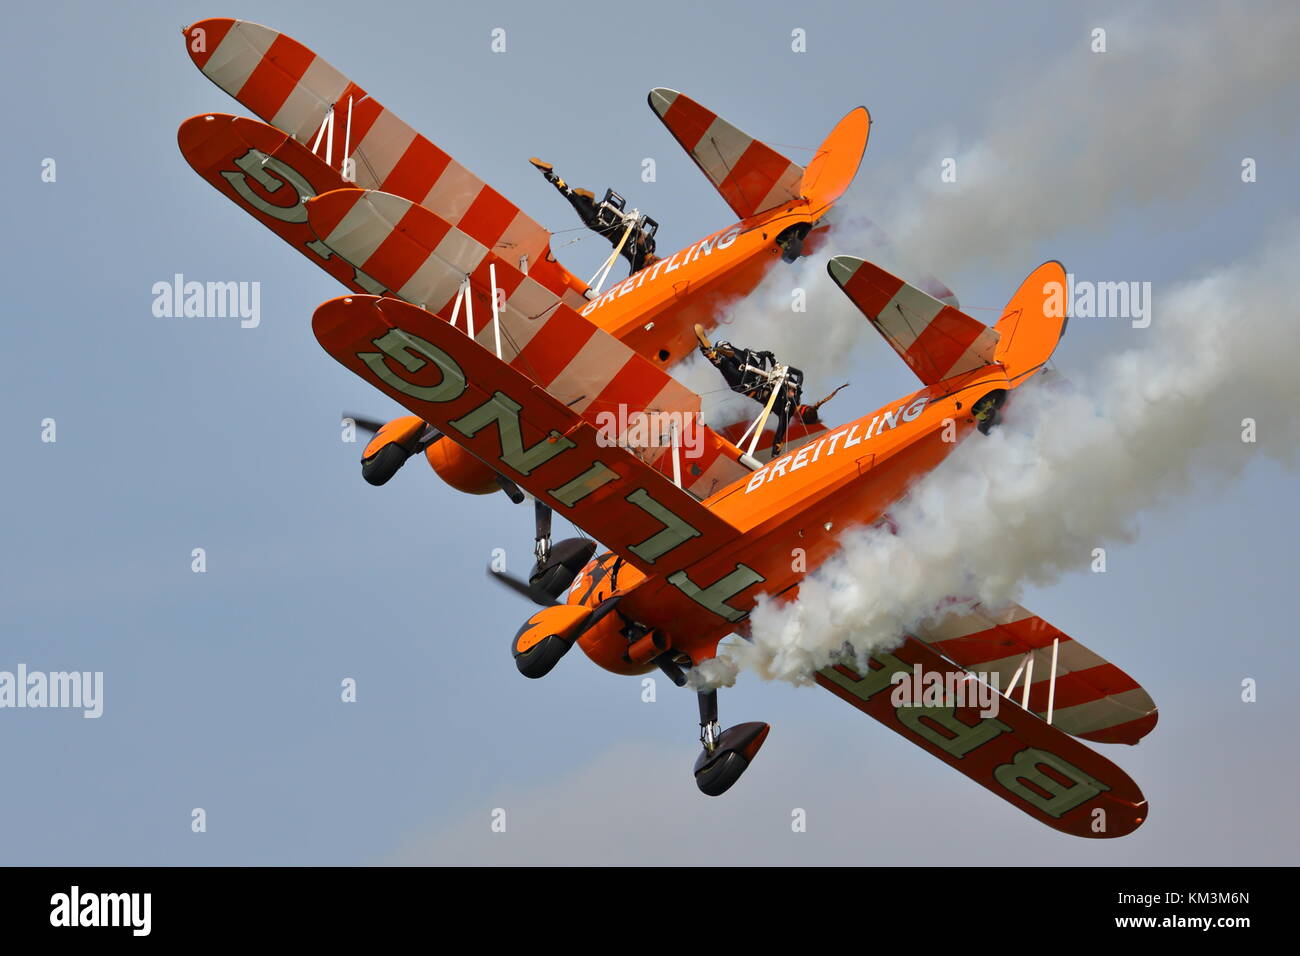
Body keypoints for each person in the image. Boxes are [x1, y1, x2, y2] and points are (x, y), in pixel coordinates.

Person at [693, 325, 847, 457]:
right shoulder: (786, 414)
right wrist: (775, 453)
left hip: (755, 372)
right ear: (800, 419)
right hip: (747, 386)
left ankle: (724, 349)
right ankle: (713, 354)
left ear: (808, 405)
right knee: (722, 364)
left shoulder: (796, 391)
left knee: (729, 351)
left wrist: (792, 380)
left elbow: (798, 373)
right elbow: (779, 438)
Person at [530, 158, 659, 274]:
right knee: (573, 198)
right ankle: (549, 174)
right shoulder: (644, 253)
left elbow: (634, 272)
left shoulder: (646, 250)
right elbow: (634, 274)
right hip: (600, 224)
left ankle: (588, 200)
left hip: (609, 215)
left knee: (574, 197)